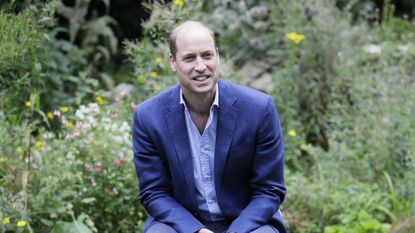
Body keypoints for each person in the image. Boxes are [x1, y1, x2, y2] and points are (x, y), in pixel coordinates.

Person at [132, 20, 287, 233]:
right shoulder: (148, 117)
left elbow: (270, 189)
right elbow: (154, 192)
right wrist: (196, 231)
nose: (200, 66)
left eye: (207, 55)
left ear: (217, 55)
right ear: (173, 62)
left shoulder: (259, 109)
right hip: (182, 224)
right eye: (189, 58)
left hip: (247, 223)